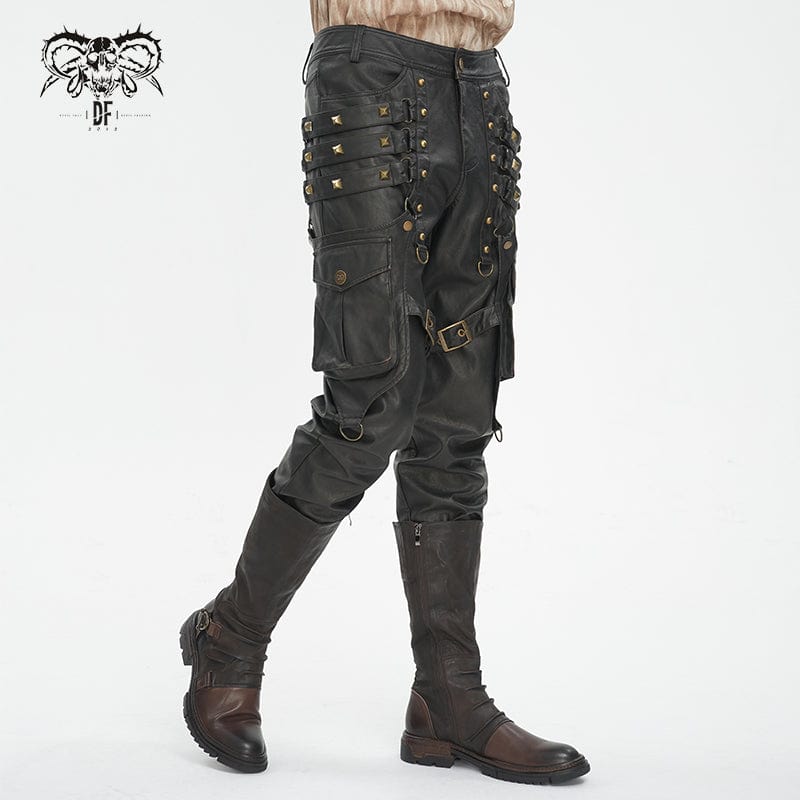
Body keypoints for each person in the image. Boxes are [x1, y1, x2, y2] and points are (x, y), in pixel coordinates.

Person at [179, 1, 591, 785]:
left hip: (480, 81)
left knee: (458, 419)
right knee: (371, 405)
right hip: (369, 77)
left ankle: (448, 697)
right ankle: (229, 637)